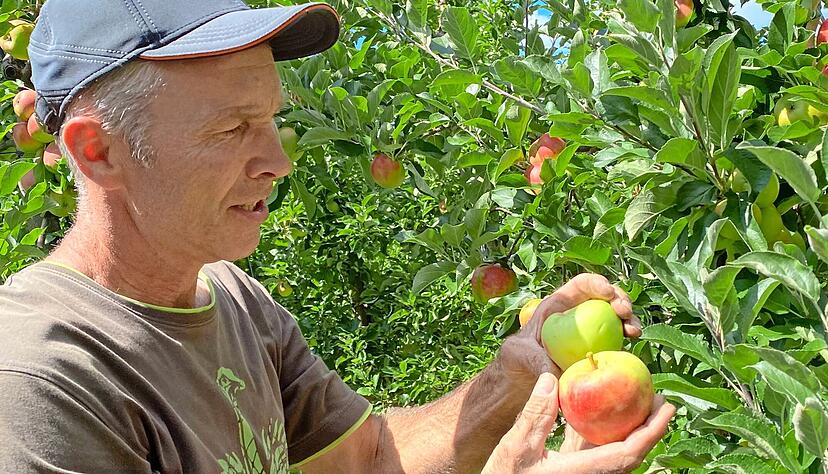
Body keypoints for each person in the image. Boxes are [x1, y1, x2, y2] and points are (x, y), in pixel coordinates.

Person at [0, 0, 675, 472]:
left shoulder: (231, 299)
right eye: (232, 129)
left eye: (272, 120)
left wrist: (517, 369)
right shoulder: (40, 378)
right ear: (98, 152)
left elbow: (371, 461)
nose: (279, 160)